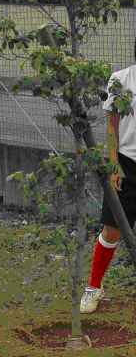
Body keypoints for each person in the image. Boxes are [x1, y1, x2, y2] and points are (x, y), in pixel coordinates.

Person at [80, 61, 136, 313]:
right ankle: (94, 287)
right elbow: (112, 126)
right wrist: (113, 164)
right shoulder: (120, 79)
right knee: (112, 229)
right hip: (126, 163)